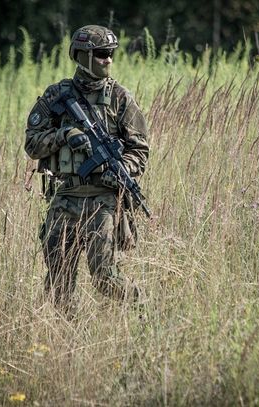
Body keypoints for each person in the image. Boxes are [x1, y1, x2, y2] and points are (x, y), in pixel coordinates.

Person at [25, 25, 149, 313]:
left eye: (111, 54)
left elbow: (139, 151)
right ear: (82, 56)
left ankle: (144, 309)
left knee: (105, 278)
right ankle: (71, 340)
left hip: (102, 202)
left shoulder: (120, 97)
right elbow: (32, 145)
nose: (109, 60)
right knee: (59, 281)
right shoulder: (57, 96)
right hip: (64, 199)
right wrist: (64, 135)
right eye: (102, 54)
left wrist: (120, 171)